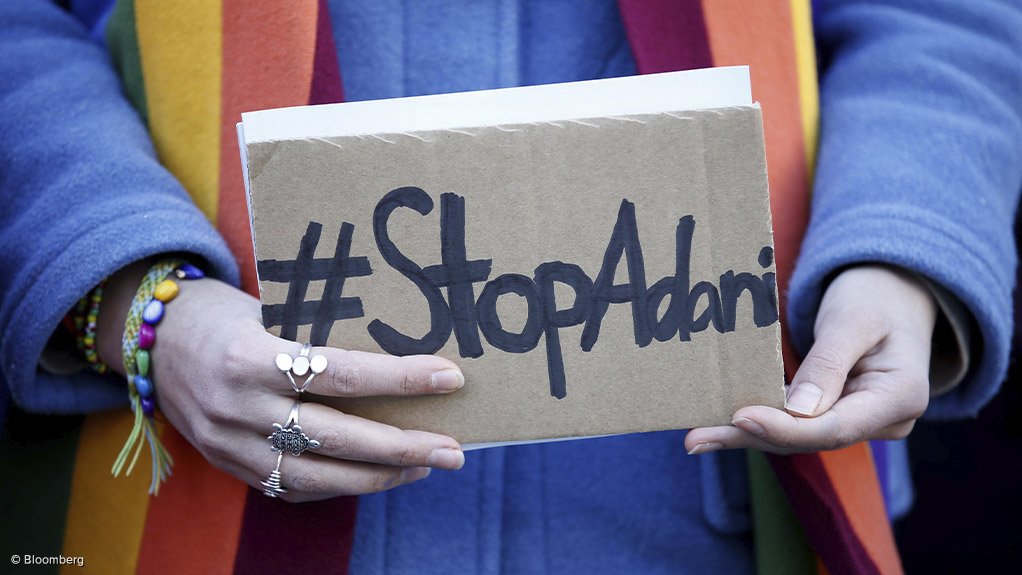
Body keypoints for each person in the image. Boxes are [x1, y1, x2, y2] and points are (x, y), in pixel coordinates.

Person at [1, 0, 1019, 573]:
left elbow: (935, 18)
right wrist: (133, 289)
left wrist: (900, 241)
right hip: (197, 491)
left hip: (702, 500)